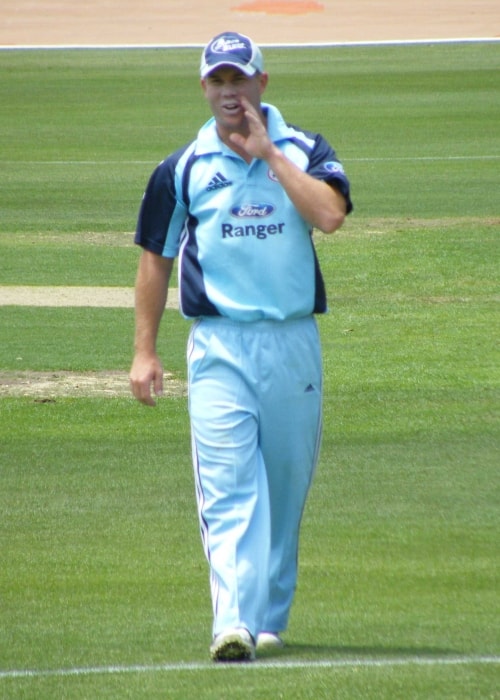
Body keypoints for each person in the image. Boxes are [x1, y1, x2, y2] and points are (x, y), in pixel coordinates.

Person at [129, 31, 353, 662]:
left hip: (291, 343)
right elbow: (156, 260)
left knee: (284, 490)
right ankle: (231, 621)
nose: (230, 93)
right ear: (204, 88)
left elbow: (330, 215)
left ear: (262, 83)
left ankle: (269, 614)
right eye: (217, 82)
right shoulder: (183, 168)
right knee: (228, 490)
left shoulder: (306, 149)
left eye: (240, 80)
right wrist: (145, 350)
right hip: (219, 345)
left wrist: (270, 156)